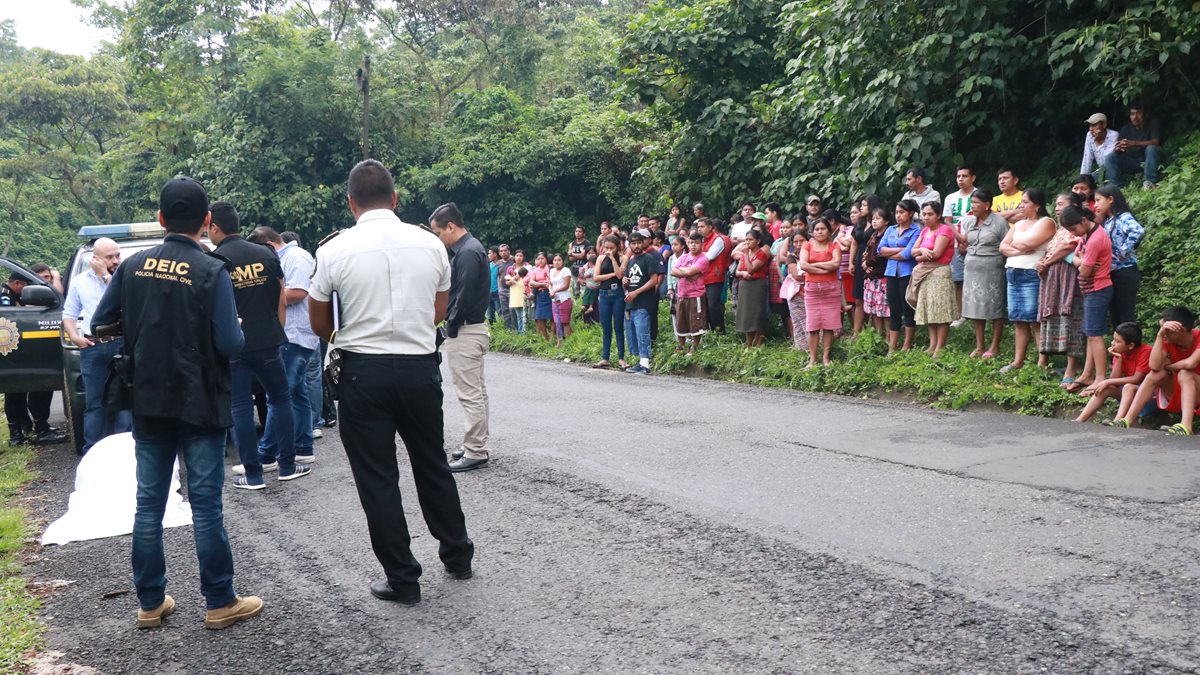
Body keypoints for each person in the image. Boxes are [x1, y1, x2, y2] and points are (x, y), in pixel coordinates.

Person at [90, 176, 260, 630]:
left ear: (161, 219)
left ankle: (150, 603)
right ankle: (220, 601)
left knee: (149, 503)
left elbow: (101, 322)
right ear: (206, 222)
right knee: (205, 504)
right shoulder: (211, 270)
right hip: (201, 400)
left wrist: (145, 329)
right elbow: (230, 343)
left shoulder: (131, 266)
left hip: (147, 397)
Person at [308, 159, 474, 604]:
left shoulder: (333, 250)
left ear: (350, 204)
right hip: (420, 368)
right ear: (395, 199)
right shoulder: (430, 244)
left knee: (378, 478)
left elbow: (320, 321)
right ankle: (457, 555)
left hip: (363, 372)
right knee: (431, 463)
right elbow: (437, 312)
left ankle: (403, 578)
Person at [208, 203, 310, 489]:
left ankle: (252, 475)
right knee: (280, 399)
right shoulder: (265, 253)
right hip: (269, 341)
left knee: (240, 406)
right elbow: (280, 297)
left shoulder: (215, 261)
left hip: (234, 345)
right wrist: (276, 331)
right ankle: (287, 466)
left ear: (215, 227)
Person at [429, 202, 492, 473]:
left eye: (439, 233)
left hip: (466, 330)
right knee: (477, 392)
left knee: (470, 394)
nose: (438, 239)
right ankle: (475, 444)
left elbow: (461, 297)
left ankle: (475, 450)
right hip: (474, 327)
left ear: (451, 227)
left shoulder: (466, 253)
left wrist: (448, 326)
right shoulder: (472, 248)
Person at [248, 226, 318, 466]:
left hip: (296, 334)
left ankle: (266, 454)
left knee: (279, 395)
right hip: (292, 333)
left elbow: (298, 292)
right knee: (296, 394)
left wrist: (263, 296)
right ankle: (303, 446)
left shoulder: (296, 257)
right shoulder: (285, 258)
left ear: (268, 245)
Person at [62, 237, 132, 453]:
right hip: (93, 346)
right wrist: (74, 335)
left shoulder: (126, 277)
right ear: (96, 259)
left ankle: (126, 451)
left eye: (117, 255)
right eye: (109, 257)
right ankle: (92, 451)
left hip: (122, 344)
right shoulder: (80, 282)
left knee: (126, 402)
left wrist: (105, 275)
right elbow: (69, 313)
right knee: (94, 404)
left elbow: (124, 298)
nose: (115, 260)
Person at [2, 273, 68, 446]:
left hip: (14, 353)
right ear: (17, 283)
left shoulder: (12, 295)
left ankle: (25, 431)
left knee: (15, 388)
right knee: (18, 387)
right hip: (13, 351)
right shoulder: (5, 297)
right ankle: (28, 432)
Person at [1112, 306, 1200, 435]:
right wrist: (1159, 336)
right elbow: (1153, 366)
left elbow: (1191, 362)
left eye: (1166, 331)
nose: (1164, 333)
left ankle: (1186, 425)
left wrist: (1170, 366)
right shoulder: (1166, 339)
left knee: (1185, 373)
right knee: (1155, 374)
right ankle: (1127, 420)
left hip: (1196, 388)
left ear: (1180, 330)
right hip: (1182, 393)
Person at [998, 189, 1056, 372]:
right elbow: (1002, 247)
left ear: (1037, 205)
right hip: (1013, 272)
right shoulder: (1019, 223)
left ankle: (1042, 362)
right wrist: (1020, 249)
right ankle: (1018, 360)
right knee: (1018, 319)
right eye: (1021, 202)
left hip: (1031, 274)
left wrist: (1017, 246)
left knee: (1035, 319)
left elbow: (1029, 244)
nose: (1021, 206)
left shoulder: (1047, 222)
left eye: (1025, 202)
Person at [1037, 193, 1085, 389]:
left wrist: (1046, 262)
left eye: (1060, 204)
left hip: (1070, 278)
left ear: (1073, 205)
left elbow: (1068, 248)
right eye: (1055, 205)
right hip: (1053, 278)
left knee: (1072, 317)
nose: (1056, 208)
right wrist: (1043, 263)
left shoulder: (1078, 228)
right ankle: (1045, 362)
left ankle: (1071, 369)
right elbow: (1052, 250)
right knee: (1052, 316)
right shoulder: (1059, 230)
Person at [1067, 204, 1113, 391]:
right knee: (1090, 333)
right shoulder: (1086, 234)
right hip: (1090, 290)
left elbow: (1085, 271)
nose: (1073, 233)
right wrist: (1080, 260)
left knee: (1095, 335)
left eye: (1073, 228)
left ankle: (1100, 379)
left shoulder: (1095, 239)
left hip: (1098, 289)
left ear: (1084, 220)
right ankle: (1087, 374)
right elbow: (1076, 257)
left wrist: (1080, 261)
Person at [959, 188, 1009, 358]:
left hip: (993, 269)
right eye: (971, 202)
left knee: (995, 306)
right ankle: (980, 345)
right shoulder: (969, 222)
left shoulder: (999, 222)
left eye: (976, 203)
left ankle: (994, 346)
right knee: (975, 307)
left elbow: (1007, 244)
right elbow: (965, 243)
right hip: (972, 268)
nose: (973, 206)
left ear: (987, 205)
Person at [1076, 322, 1151, 424]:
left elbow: (1137, 379)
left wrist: (1107, 381)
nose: (1112, 343)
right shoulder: (1120, 353)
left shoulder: (1145, 352)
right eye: (1113, 339)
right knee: (1106, 389)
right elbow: (1115, 382)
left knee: (1127, 386)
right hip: (1127, 394)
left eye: (1117, 341)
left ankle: (1117, 422)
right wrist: (1118, 360)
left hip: (1146, 396)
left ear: (1131, 345)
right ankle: (1079, 420)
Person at [909, 202, 956, 358]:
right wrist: (922, 250)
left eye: (930, 214)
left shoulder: (945, 230)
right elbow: (912, 251)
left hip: (939, 272)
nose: (926, 217)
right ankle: (932, 344)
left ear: (938, 215)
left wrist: (920, 254)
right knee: (930, 309)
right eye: (924, 214)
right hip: (925, 273)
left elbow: (936, 254)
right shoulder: (924, 231)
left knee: (940, 310)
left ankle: (940, 346)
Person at [1094, 184, 1144, 329]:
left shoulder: (1123, 217)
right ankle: (1120, 349)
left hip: (1125, 271)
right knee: (1115, 314)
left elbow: (1138, 231)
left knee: (1126, 315)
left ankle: (1132, 348)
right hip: (1112, 272)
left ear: (1110, 199)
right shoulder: (1109, 221)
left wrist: (1124, 251)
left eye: (1098, 200)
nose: (1095, 205)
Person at [879, 200, 920, 354]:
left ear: (910, 214)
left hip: (907, 273)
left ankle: (907, 344)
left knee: (907, 308)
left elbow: (908, 254)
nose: (898, 215)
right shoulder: (890, 229)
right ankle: (892, 347)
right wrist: (900, 250)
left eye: (902, 212)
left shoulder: (916, 231)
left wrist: (891, 253)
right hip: (890, 272)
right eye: (896, 212)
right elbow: (880, 250)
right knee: (894, 309)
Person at [800, 219, 842, 366]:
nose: (820, 231)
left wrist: (815, 265)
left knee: (829, 325)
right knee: (813, 325)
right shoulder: (807, 245)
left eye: (823, 228)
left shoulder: (834, 245)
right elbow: (803, 265)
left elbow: (836, 264)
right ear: (812, 231)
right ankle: (812, 359)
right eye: (817, 229)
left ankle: (826, 357)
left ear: (829, 231)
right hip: (812, 290)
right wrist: (825, 269)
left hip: (831, 289)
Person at [622, 229, 662, 373]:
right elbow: (628, 281)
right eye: (633, 243)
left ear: (644, 243)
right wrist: (625, 282)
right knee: (634, 334)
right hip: (631, 303)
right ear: (630, 246)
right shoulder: (631, 261)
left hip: (644, 302)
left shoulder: (649, 258)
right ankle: (640, 362)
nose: (637, 246)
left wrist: (636, 292)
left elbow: (654, 280)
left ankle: (645, 364)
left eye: (639, 242)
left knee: (643, 332)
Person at [942, 165, 975, 324]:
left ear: (972, 178)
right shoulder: (950, 198)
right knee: (958, 280)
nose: (961, 179)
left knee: (976, 279)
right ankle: (960, 314)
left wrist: (967, 239)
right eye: (958, 176)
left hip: (976, 243)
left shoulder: (979, 194)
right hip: (955, 243)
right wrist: (959, 238)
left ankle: (976, 313)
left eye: (965, 176)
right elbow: (948, 220)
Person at [1103, 103, 1164, 189]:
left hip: (1151, 160)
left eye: (1138, 113)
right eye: (1132, 114)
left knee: (1151, 148)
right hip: (1134, 163)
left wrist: (1134, 143)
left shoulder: (1153, 124)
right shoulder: (1125, 129)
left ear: (1145, 115)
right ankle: (1116, 188)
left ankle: (1150, 183)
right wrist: (1118, 149)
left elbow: (1156, 142)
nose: (1135, 117)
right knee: (1111, 157)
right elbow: (1120, 149)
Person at [592, 235, 627, 369]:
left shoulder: (623, 258)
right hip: (604, 295)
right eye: (606, 247)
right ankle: (605, 358)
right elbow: (596, 277)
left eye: (611, 248)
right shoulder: (600, 258)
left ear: (617, 247)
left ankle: (621, 358)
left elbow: (619, 275)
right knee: (606, 328)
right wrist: (611, 274)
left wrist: (613, 258)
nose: (608, 250)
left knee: (618, 327)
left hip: (617, 295)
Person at [671, 232, 709, 354]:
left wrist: (683, 271)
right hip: (681, 294)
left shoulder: (703, 258)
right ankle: (681, 347)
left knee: (695, 322)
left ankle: (694, 347)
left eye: (696, 243)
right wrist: (688, 272)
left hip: (695, 295)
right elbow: (673, 271)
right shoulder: (683, 257)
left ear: (702, 244)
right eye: (691, 242)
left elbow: (690, 272)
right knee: (681, 321)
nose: (693, 245)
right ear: (688, 243)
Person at [733, 228, 770, 347]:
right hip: (745, 286)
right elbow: (737, 271)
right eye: (746, 239)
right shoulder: (746, 254)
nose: (748, 242)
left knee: (757, 312)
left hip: (757, 285)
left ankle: (760, 340)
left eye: (751, 240)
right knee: (746, 313)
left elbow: (751, 269)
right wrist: (742, 274)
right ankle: (748, 341)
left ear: (758, 241)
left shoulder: (761, 254)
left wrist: (745, 255)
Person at [861, 207, 891, 335]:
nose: (874, 221)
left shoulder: (888, 235)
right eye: (873, 219)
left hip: (882, 275)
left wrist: (867, 263)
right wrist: (865, 263)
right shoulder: (873, 235)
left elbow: (881, 256)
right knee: (875, 309)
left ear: (886, 221)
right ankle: (879, 336)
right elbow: (867, 253)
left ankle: (889, 338)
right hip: (871, 276)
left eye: (878, 218)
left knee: (885, 310)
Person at [698, 217, 730, 333]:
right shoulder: (701, 240)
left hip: (715, 277)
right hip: (703, 277)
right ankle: (710, 331)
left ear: (710, 227)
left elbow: (710, 256)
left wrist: (698, 255)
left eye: (702, 227)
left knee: (713, 305)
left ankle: (720, 331)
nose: (699, 229)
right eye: (698, 227)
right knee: (705, 306)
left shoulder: (718, 239)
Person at [785, 230, 810, 352]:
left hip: (811, 293)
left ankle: (813, 349)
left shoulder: (812, 255)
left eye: (802, 241)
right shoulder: (791, 257)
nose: (799, 244)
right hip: (796, 295)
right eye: (796, 242)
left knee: (810, 322)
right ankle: (802, 350)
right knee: (799, 323)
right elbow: (796, 275)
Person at [1080, 112, 1119, 180]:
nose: (1091, 129)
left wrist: (1097, 142)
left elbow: (1107, 159)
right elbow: (1087, 158)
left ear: (1104, 125)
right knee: (1086, 181)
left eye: (1094, 125)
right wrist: (1082, 178)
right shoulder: (1089, 135)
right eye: (1090, 125)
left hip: (1114, 169)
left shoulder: (1114, 135)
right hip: (1102, 170)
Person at [549, 253, 573, 347]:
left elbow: (566, 286)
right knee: (557, 321)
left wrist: (555, 291)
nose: (557, 262)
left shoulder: (566, 270)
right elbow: (550, 283)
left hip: (564, 299)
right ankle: (559, 342)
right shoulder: (551, 271)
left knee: (565, 322)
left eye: (559, 260)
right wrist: (551, 291)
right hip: (554, 299)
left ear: (563, 261)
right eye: (555, 260)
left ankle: (569, 343)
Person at [527, 252, 552, 340]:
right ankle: (545, 337)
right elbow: (531, 282)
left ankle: (552, 337)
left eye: (542, 258)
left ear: (546, 259)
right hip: (539, 295)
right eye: (538, 259)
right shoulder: (535, 270)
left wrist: (538, 284)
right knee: (539, 317)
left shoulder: (550, 268)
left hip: (549, 294)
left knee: (552, 316)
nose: (540, 260)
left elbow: (550, 281)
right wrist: (541, 284)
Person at [496, 244, 514, 329]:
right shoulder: (498, 263)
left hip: (513, 289)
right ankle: (508, 329)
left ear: (509, 251)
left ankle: (515, 329)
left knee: (512, 310)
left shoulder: (514, 260)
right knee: (505, 310)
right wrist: (499, 289)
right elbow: (499, 276)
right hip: (502, 290)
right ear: (499, 253)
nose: (503, 253)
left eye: (505, 250)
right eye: (501, 251)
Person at [506, 267, 528, 335]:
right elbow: (507, 281)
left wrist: (514, 280)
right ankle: (521, 332)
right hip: (515, 299)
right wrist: (513, 280)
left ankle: (524, 332)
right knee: (519, 317)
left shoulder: (525, 278)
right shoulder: (512, 278)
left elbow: (523, 285)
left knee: (523, 317)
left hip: (522, 299)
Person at [568, 227, 589, 296]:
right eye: (576, 231)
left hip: (584, 270)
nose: (577, 233)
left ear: (584, 233)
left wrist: (572, 253)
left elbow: (582, 256)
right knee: (575, 291)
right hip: (574, 269)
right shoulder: (571, 244)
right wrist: (577, 255)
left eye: (580, 231)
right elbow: (570, 259)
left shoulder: (586, 243)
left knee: (584, 291)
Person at [486, 247, 502, 324]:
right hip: (489, 292)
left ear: (495, 254)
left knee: (500, 312)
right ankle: (493, 330)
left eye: (490, 253)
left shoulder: (501, 264)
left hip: (498, 292)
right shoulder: (488, 265)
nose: (488, 255)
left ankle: (503, 330)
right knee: (489, 314)